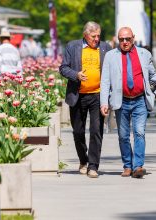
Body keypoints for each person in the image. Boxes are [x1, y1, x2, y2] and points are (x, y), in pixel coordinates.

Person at [100, 27, 156, 178]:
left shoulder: (144, 54)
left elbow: (153, 75)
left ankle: (138, 166)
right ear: (117, 40)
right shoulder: (110, 56)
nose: (124, 42)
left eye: (127, 39)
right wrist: (104, 102)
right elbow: (105, 81)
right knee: (123, 136)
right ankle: (127, 166)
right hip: (121, 101)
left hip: (140, 100)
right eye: (121, 39)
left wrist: (153, 91)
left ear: (133, 38)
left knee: (139, 132)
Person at [59, 21, 112, 178]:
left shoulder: (105, 48)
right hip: (77, 96)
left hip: (98, 95)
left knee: (96, 131)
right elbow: (63, 68)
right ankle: (84, 160)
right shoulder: (72, 46)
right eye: (93, 36)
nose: (96, 39)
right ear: (85, 35)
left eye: (98, 36)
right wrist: (76, 75)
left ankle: (93, 166)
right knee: (78, 132)